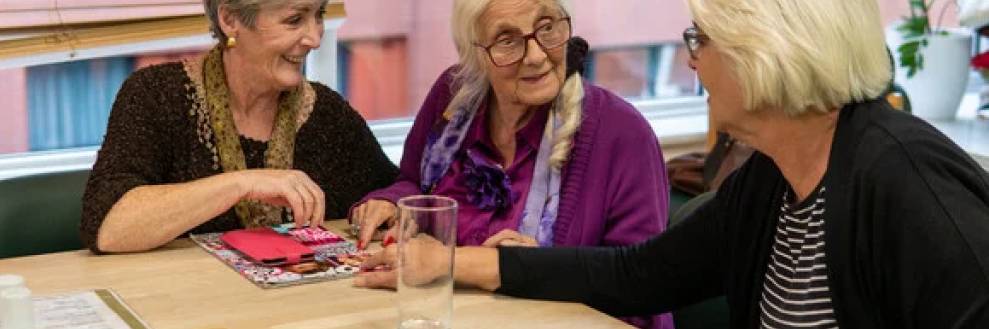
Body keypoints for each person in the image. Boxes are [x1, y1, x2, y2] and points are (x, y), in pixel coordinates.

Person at [355, 0, 989, 327]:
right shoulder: (773, 178)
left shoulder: (904, 179)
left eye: (702, 42)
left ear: (763, 55)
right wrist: (451, 263)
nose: (693, 62)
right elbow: (638, 276)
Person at [350, 0, 672, 327]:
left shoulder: (622, 134)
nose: (535, 56)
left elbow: (639, 289)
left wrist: (516, 268)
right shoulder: (453, 97)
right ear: (476, 54)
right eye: (507, 40)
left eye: (547, 28)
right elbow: (414, 183)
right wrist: (391, 200)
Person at [80, 0, 398, 253]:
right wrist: (242, 184)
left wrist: (391, 208)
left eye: (319, 15)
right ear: (231, 19)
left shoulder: (328, 114)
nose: (315, 38)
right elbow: (110, 228)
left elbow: (398, 195)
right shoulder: (156, 95)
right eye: (294, 20)